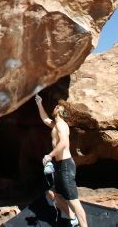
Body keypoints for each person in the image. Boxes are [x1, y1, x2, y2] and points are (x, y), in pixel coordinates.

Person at [35, 94, 88, 227]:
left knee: (74, 200)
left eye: (56, 107)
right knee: (52, 193)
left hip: (65, 166)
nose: (54, 108)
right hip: (59, 166)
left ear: (60, 111)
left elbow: (63, 142)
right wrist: (39, 103)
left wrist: (49, 156)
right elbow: (45, 119)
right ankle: (72, 218)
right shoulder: (55, 125)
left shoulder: (62, 126)